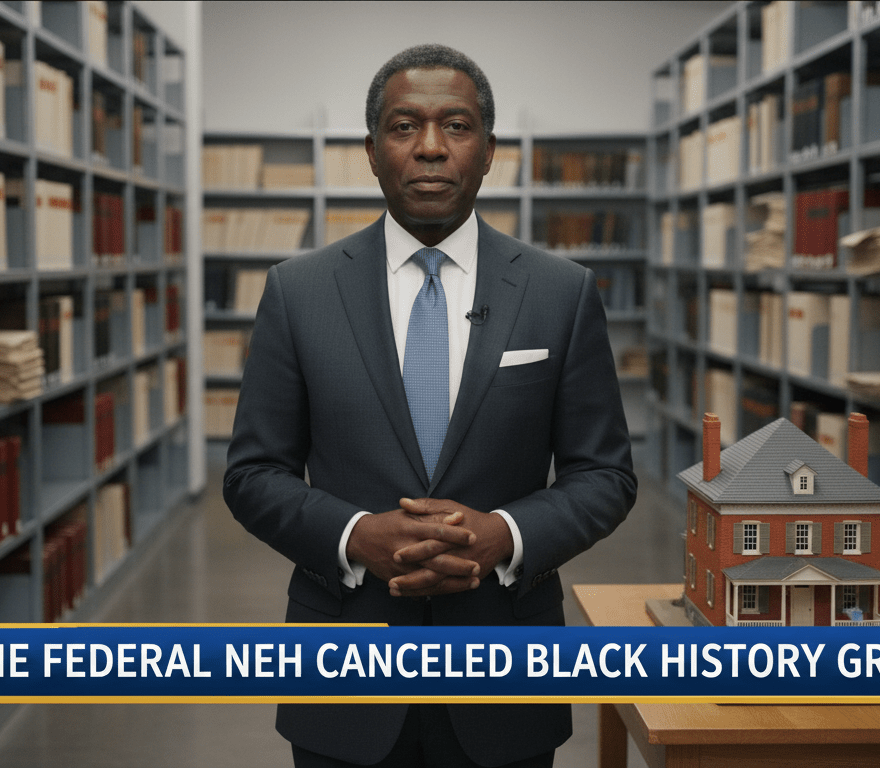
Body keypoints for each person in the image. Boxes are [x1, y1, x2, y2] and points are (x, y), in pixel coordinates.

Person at [224, 43, 637, 768]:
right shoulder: (298, 292)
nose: (430, 149)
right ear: (372, 151)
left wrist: (505, 534)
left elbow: (604, 475)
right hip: (344, 669)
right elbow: (253, 473)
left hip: (504, 669)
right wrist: (356, 535)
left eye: (456, 126)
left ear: (488, 152)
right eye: (404, 126)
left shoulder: (560, 293)